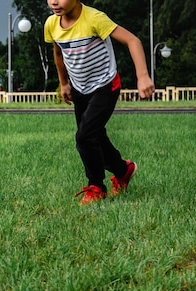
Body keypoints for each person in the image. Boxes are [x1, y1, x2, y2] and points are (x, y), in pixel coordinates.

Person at [44, 0, 155, 204]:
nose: (54, 1)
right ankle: (123, 171)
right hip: (79, 88)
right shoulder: (52, 24)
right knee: (94, 136)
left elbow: (133, 41)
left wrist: (143, 76)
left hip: (105, 86)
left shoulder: (94, 18)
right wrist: (64, 83)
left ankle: (96, 187)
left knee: (85, 137)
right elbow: (58, 52)